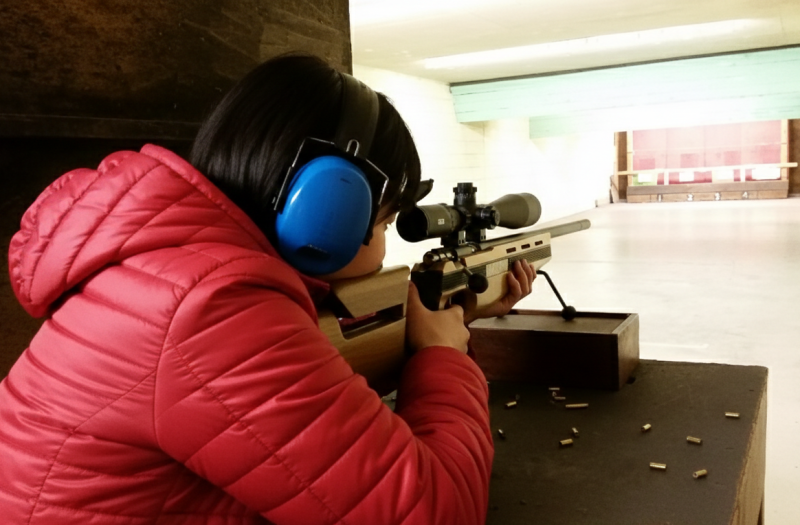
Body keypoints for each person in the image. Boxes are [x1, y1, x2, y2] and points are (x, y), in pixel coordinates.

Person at [0, 53, 535, 524]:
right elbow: (435, 511)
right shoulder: (211, 310)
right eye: (385, 223)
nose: (385, 248)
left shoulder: (166, 274)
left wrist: (456, 319)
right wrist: (442, 354)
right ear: (329, 207)